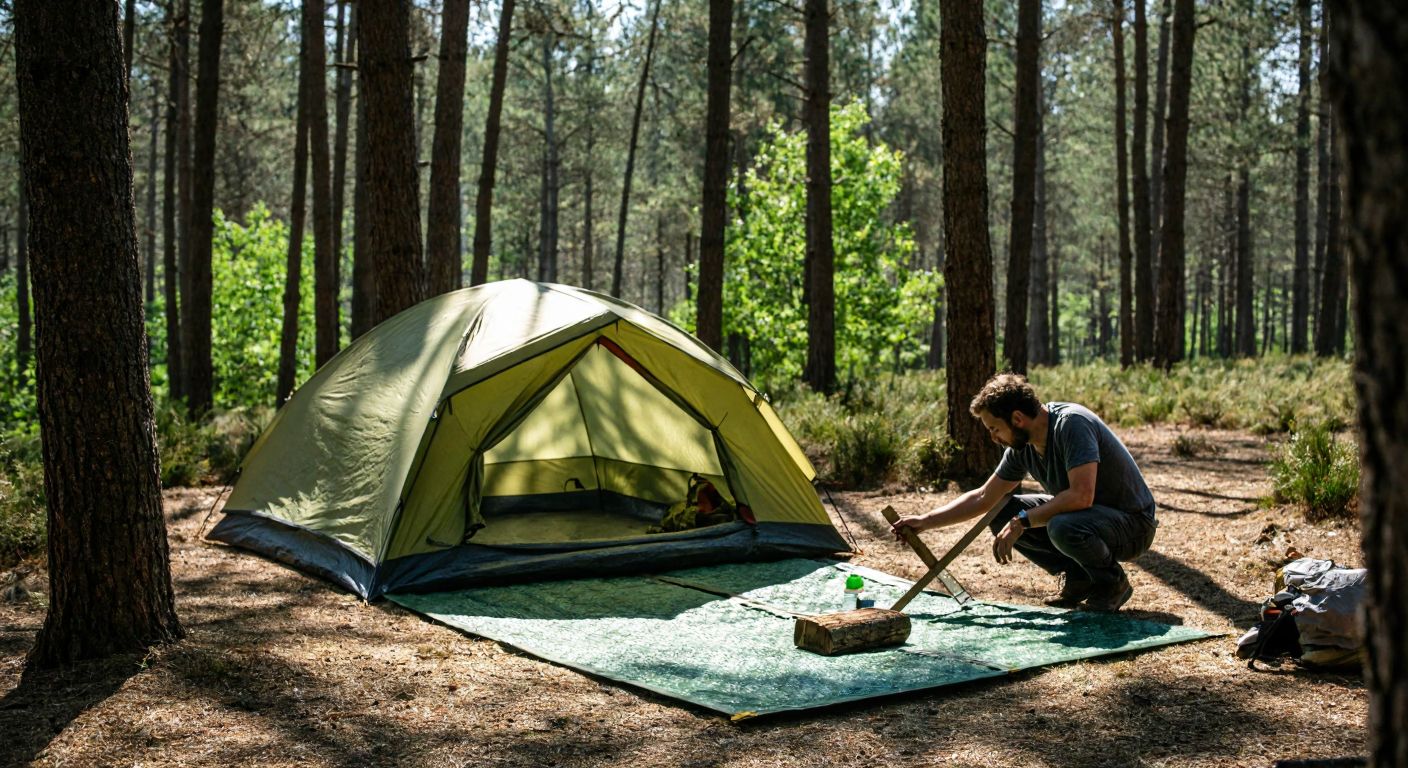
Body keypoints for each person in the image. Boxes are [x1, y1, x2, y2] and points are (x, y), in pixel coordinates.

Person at [890, 373, 1157, 612]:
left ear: (1017, 419)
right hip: (1088, 519)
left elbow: (1080, 496)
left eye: (994, 429)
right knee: (1001, 512)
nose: (994, 438)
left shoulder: (1071, 424)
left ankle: (1112, 584)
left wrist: (1023, 521)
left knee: (1061, 526)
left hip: (1132, 525)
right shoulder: (1022, 448)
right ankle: (1078, 577)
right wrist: (925, 521)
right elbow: (984, 497)